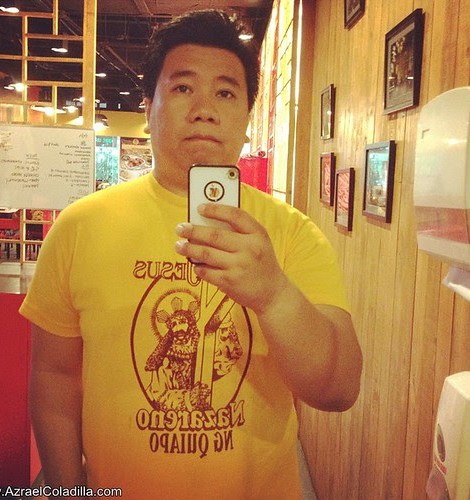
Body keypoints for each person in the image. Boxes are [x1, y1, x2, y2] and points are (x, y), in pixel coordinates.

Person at [20, 9, 362, 499]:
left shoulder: (292, 234)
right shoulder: (78, 227)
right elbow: (53, 376)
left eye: (225, 92)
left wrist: (274, 295)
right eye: (182, 87)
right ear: (148, 108)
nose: (204, 109)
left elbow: (339, 389)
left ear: (247, 119)